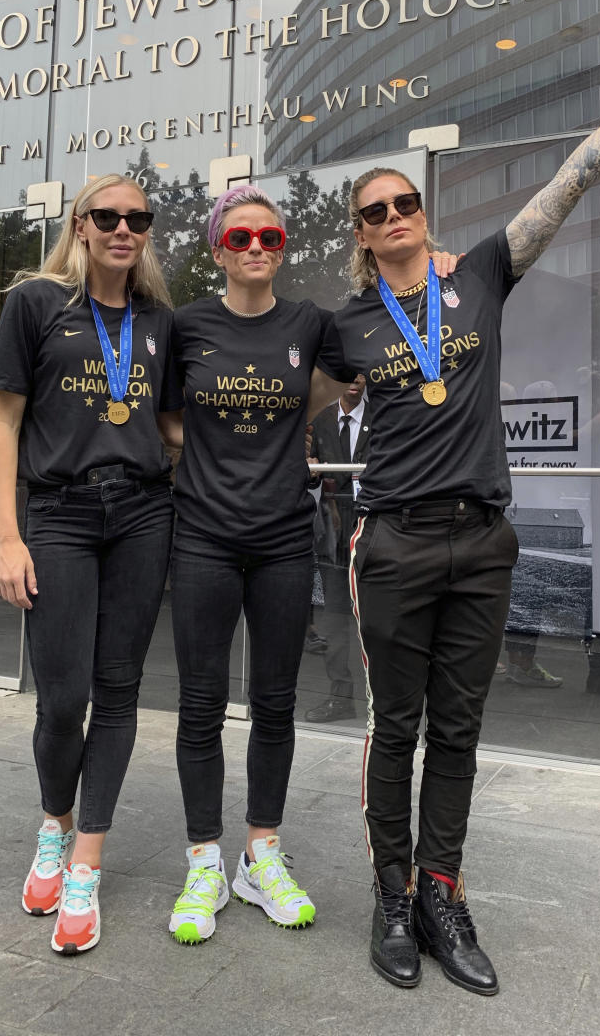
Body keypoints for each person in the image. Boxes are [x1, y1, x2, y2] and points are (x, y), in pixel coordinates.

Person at [308, 23, 600, 994]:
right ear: (360, 231)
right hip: (394, 541)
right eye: (377, 208)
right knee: (392, 727)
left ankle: (444, 890)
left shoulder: (479, 272)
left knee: (460, 727)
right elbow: (279, 409)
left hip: (484, 540)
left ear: (420, 209)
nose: (396, 213)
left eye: (406, 199)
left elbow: (564, 188)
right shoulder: (348, 324)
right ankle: (391, 895)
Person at [165, 183, 455, 946]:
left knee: (274, 700)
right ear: (217, 249)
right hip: (200, 537)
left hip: (285, 538)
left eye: (269, 237)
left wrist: (433, 269)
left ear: (282, 247)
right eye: (239, 239)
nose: (256, 248)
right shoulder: (186, 326)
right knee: (199, 704)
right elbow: (164, 419)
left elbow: (380, 339)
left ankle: (261, 854)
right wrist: (208, 467)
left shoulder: (310, 324)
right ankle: (203, 861)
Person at [0, 173, 182, 956]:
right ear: (81, 224)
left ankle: (87, 860)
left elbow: (168, 426)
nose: (123, 228)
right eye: (108, 216)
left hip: (142, 514)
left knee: (120, 691)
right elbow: (3, 424)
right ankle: (54, 824)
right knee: (62, 700)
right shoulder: (35, 304)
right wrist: (7, 536)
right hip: (59, 513)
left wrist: (257, 448)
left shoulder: (159, 320)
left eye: (138, 218)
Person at [305, 374, 370, 722]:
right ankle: (340, 697)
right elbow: (307, 473)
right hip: (331, 528)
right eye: (350, 376)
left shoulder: (381, 418)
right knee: (334, 618)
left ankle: (382, 700)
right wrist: (312, 469)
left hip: (371, 527)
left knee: (376, 618)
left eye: (361, 376)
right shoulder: (322, 420)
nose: (355, 382)